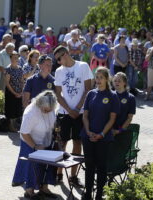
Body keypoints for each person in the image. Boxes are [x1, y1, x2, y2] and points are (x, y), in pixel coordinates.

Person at [54, 45, 93, 186]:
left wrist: (77, 108)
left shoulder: (83, 66)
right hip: (64, 113)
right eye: (57, 59)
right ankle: (58, 174)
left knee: (77, 142)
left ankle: (73, 176)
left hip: (81, 112)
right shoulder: (58, 71)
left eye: (60, 57)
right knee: (61, 144)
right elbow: (58, 94)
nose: (59, 61)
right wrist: (70, 110)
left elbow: (88, 89)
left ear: (66, 54)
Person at [81, 67, 120, 200]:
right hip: (88, 136)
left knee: (101, 167)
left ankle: (99, 195)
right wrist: (88, 131)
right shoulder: (91, 94)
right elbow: (85, 115)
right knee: (89, 166)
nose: (98, 80)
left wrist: (102, 134)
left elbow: (112, 118)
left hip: (104, 138)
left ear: (107, 79)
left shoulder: (113, 96)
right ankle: (87, 194)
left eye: (101, 77)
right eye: (96, 77)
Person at [12, 90, 58, 200]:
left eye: (50, 110)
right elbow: (24, 132)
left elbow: (52, 122)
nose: (48, 112)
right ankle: (29, 191)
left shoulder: (50, 108)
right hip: (29, 141)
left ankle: (44, 188)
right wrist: (35, 146)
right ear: (40, 104)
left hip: (45, 140)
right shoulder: (31, 113)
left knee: (47, 165)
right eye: (45, 110)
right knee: (32, 166)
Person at [4, 51, 24, 132]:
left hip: (19, 92)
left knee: (18, 109)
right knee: (11, 109)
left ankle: (16, 126)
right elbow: (7, 83)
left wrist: (21, 91)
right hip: (11, 92)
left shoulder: (20, 68)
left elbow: (22, 80)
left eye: (17, 57)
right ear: (11, 58)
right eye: (14, 57)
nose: (16, 59)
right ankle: (11, 127)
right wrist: (15, 93)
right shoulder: (8, 69)